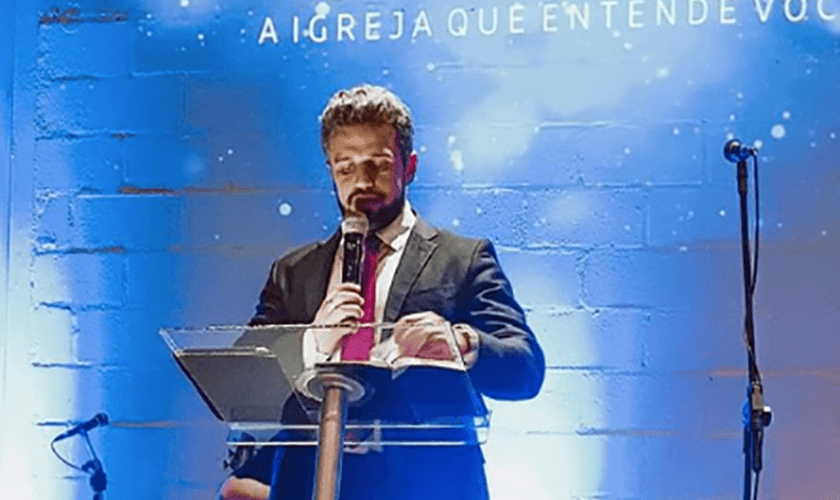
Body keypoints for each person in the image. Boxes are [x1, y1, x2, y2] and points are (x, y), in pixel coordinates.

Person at [218, 84, 545, 500]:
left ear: (408, 168)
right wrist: (311, 341)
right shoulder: (294, 272)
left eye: (377, 165)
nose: (362, 183)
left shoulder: (462, 259)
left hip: (428, 485)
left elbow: (526, 370)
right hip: (309, 482)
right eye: (345, 168)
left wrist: (460, 341)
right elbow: (241, 385)